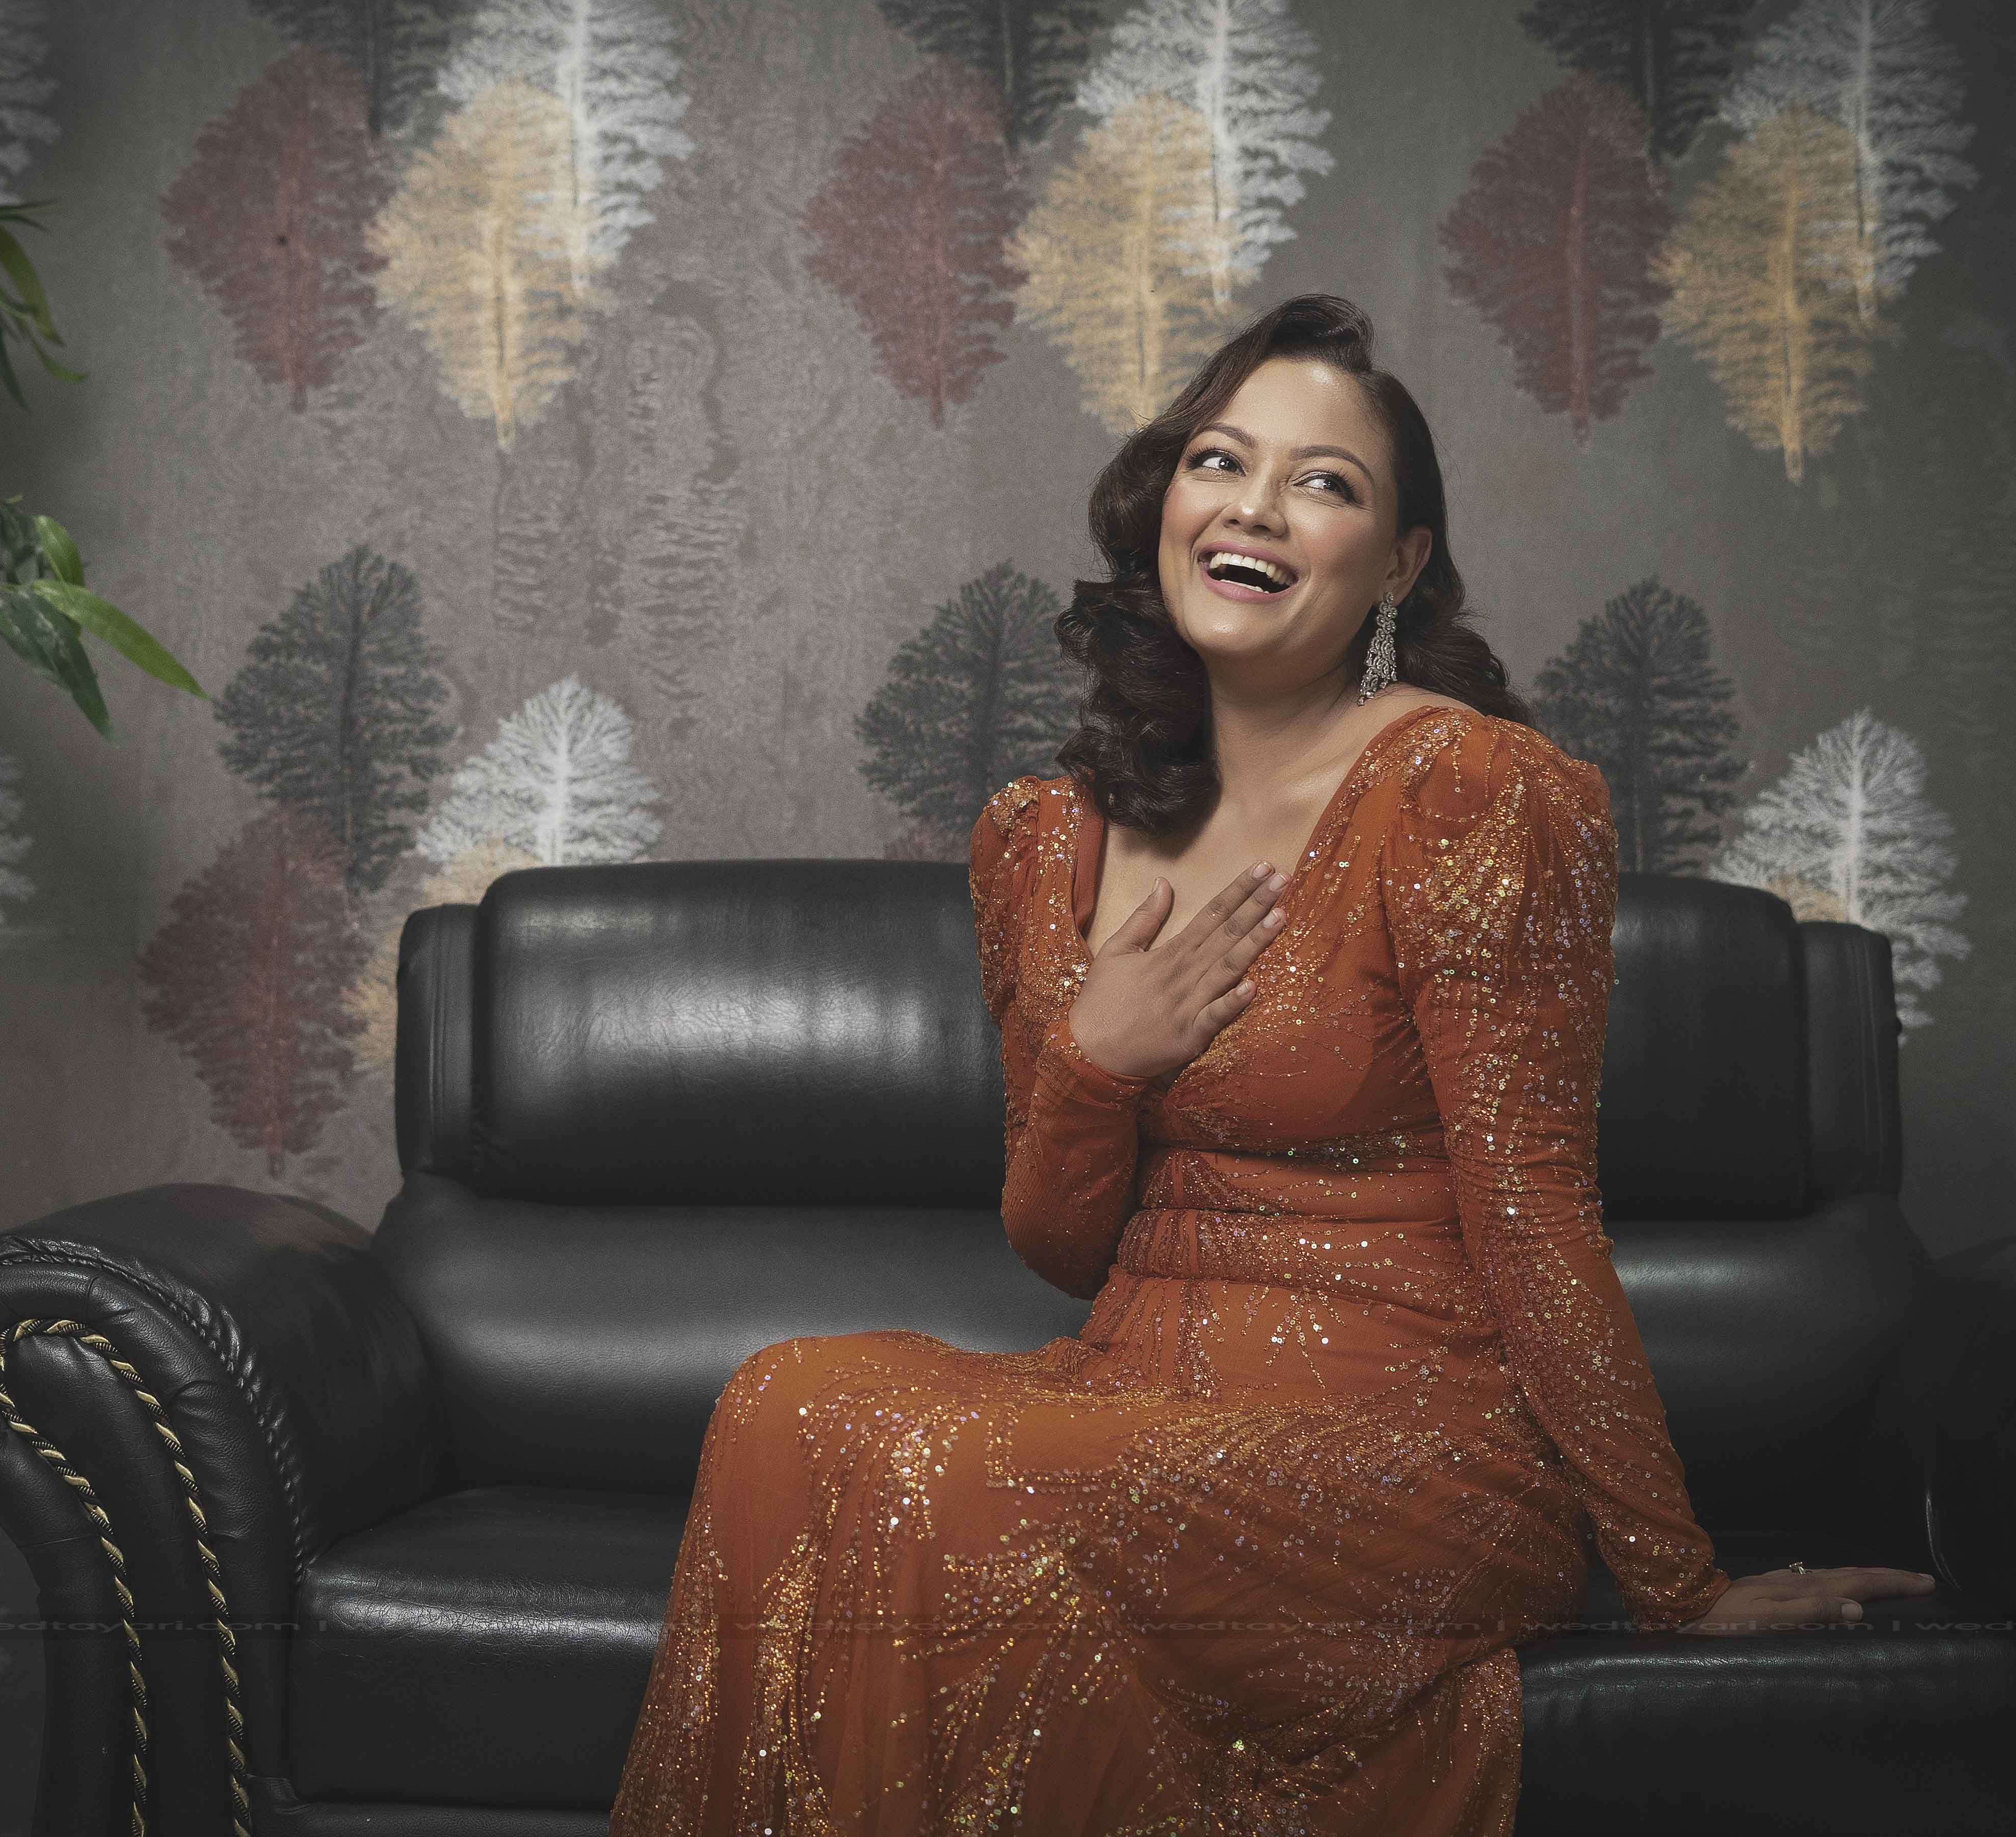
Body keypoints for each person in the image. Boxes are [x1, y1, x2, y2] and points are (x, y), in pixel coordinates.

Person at [608, 294, 1933, 1835]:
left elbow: (1536, 1217)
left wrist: (1674, 1583)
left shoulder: (1469, 793)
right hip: (1127, 1399)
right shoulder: (1043, 839)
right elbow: (1058, 1248)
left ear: (1401, 563)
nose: (1253, 506)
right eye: (1219, 461)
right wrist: (1096, 1062)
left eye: (1324, 483)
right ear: (1166, 507)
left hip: (1407, 1455)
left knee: (956, 1477)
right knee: (782, 1402)